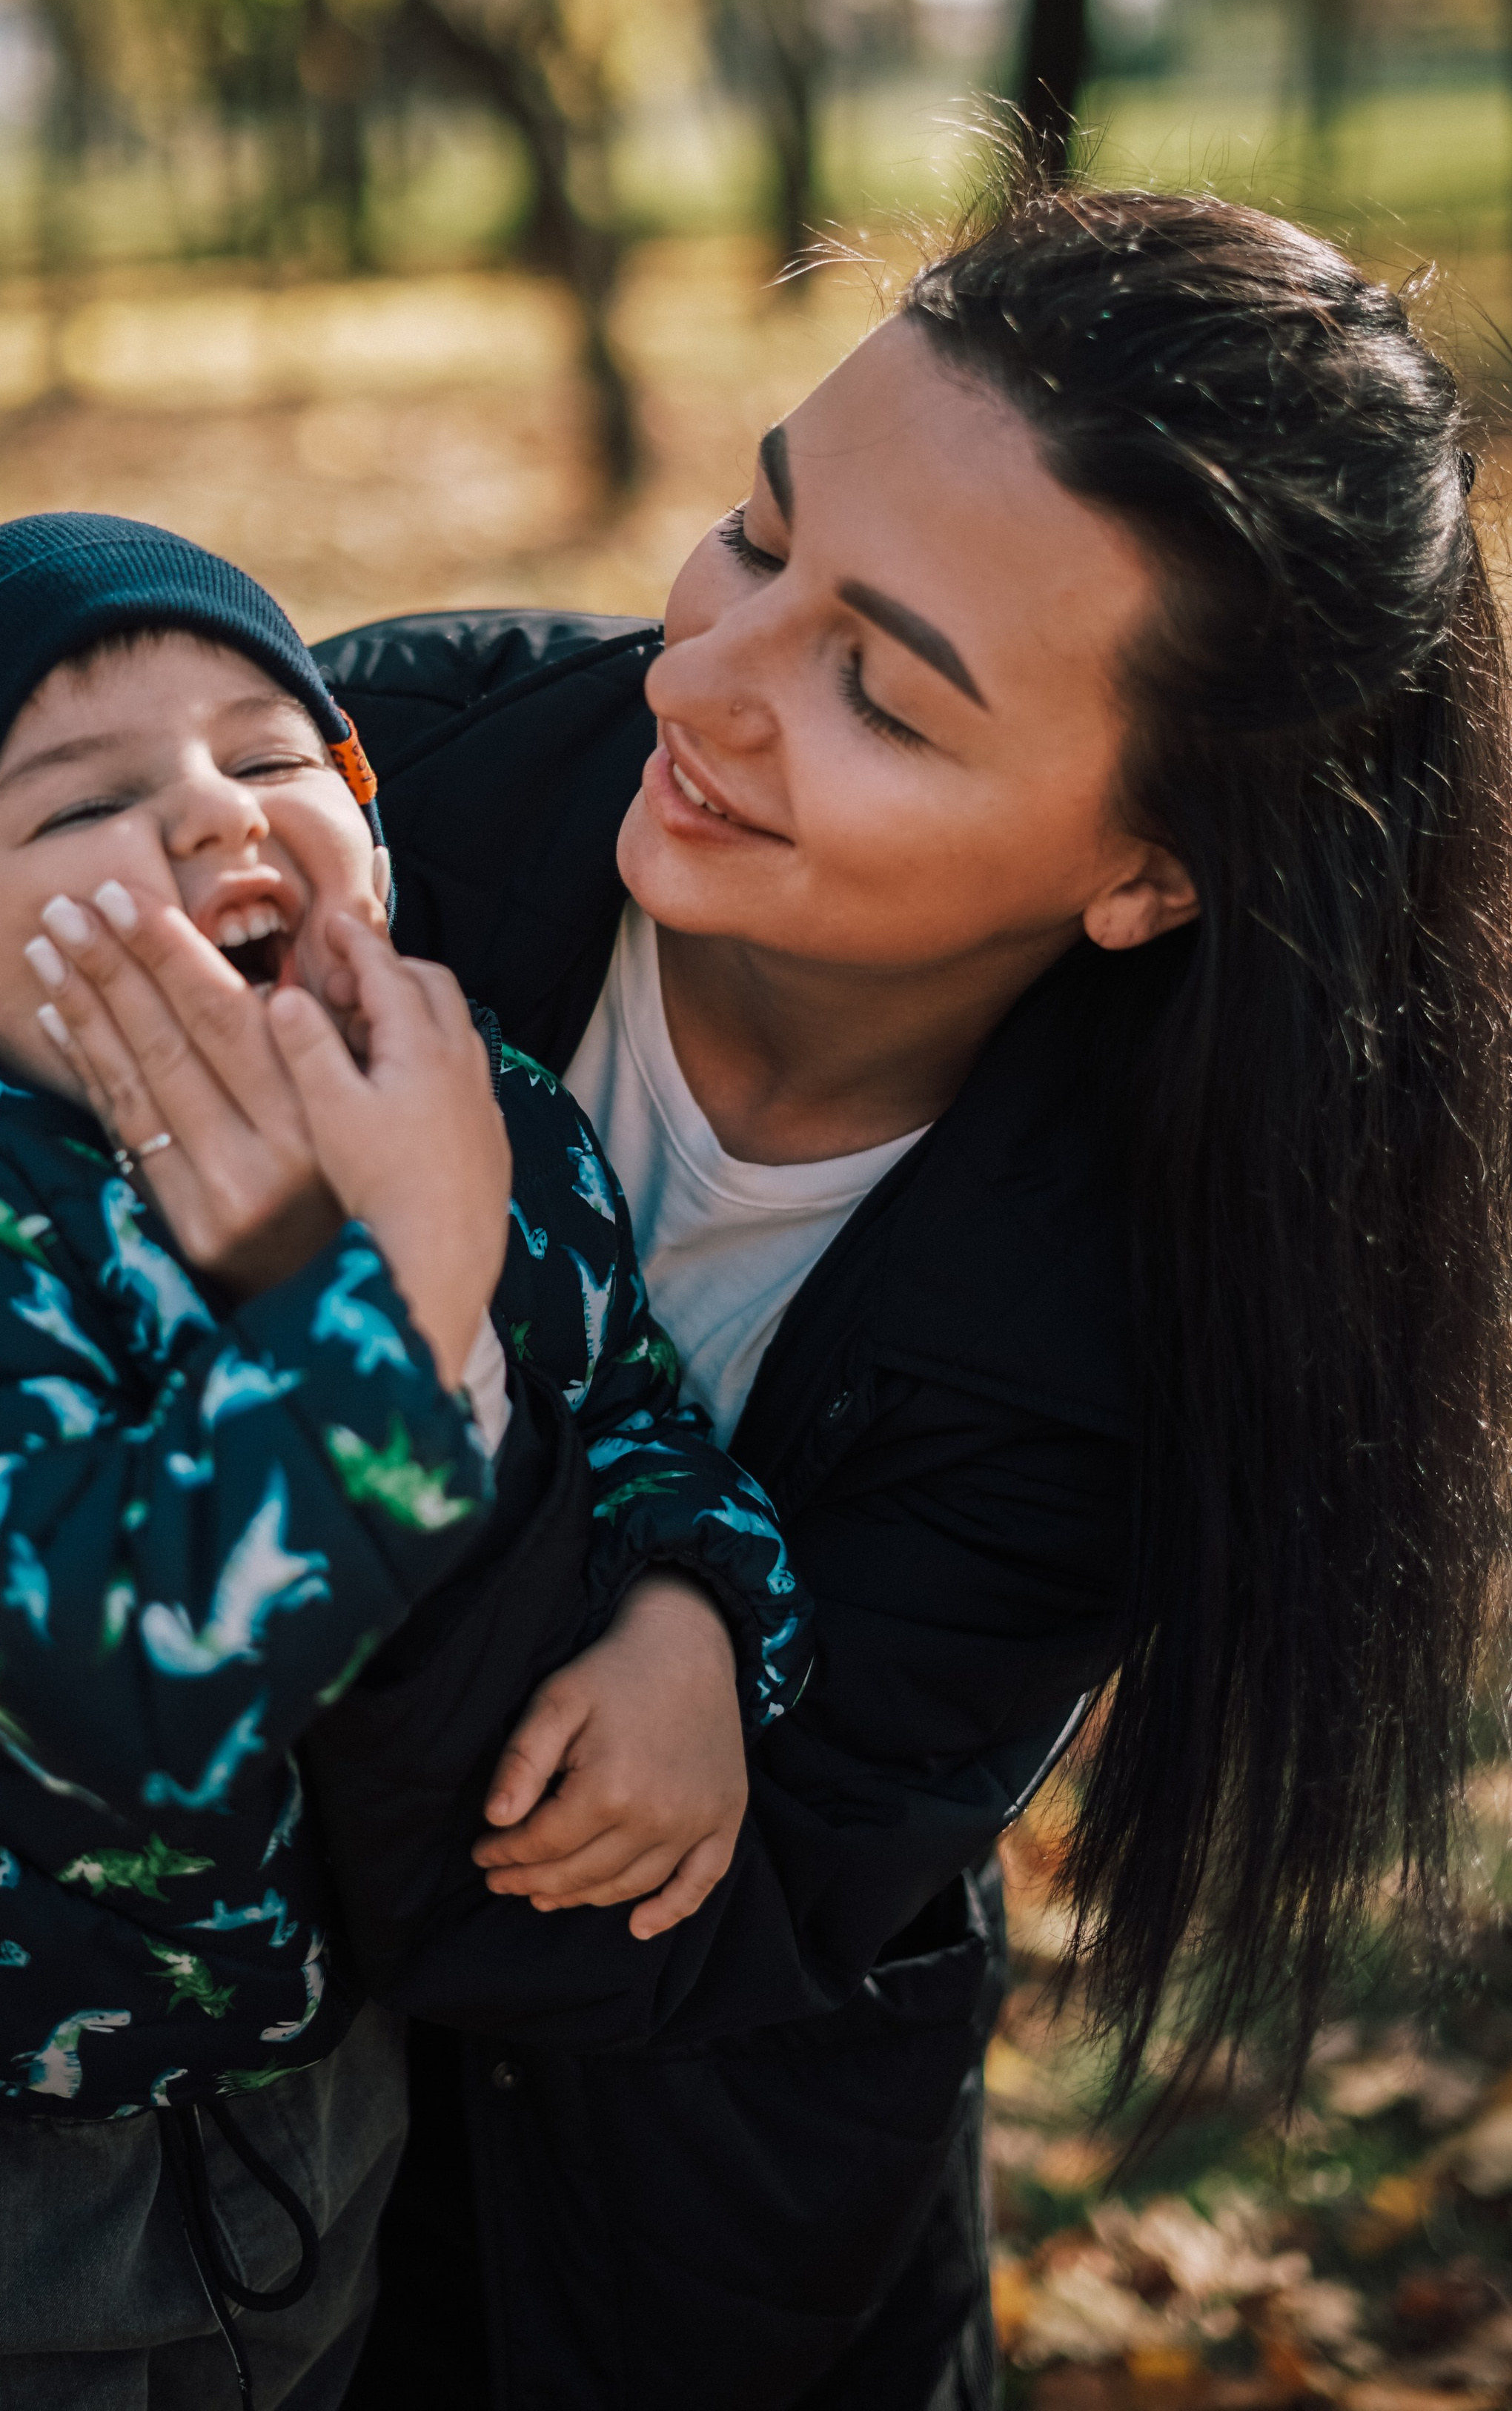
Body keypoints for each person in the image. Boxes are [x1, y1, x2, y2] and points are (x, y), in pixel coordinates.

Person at [297, 182, 1510, 2405]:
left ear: (1153, 869)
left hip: (698, 2284)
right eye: (758, 542)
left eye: (880, 690)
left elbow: (630, 1938)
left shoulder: (1139, 1334)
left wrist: (489, 1408)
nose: (707, 680)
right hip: (162, 2223)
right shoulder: (374, 806)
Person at [0, 514, 800, 2411]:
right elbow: (124, 1682)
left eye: (274, 757)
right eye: (82, 803)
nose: (212, 819)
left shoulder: (446, 1089)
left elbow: (621, 1407)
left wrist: (691, 1611)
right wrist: (408, 1290)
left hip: (307, 2067)